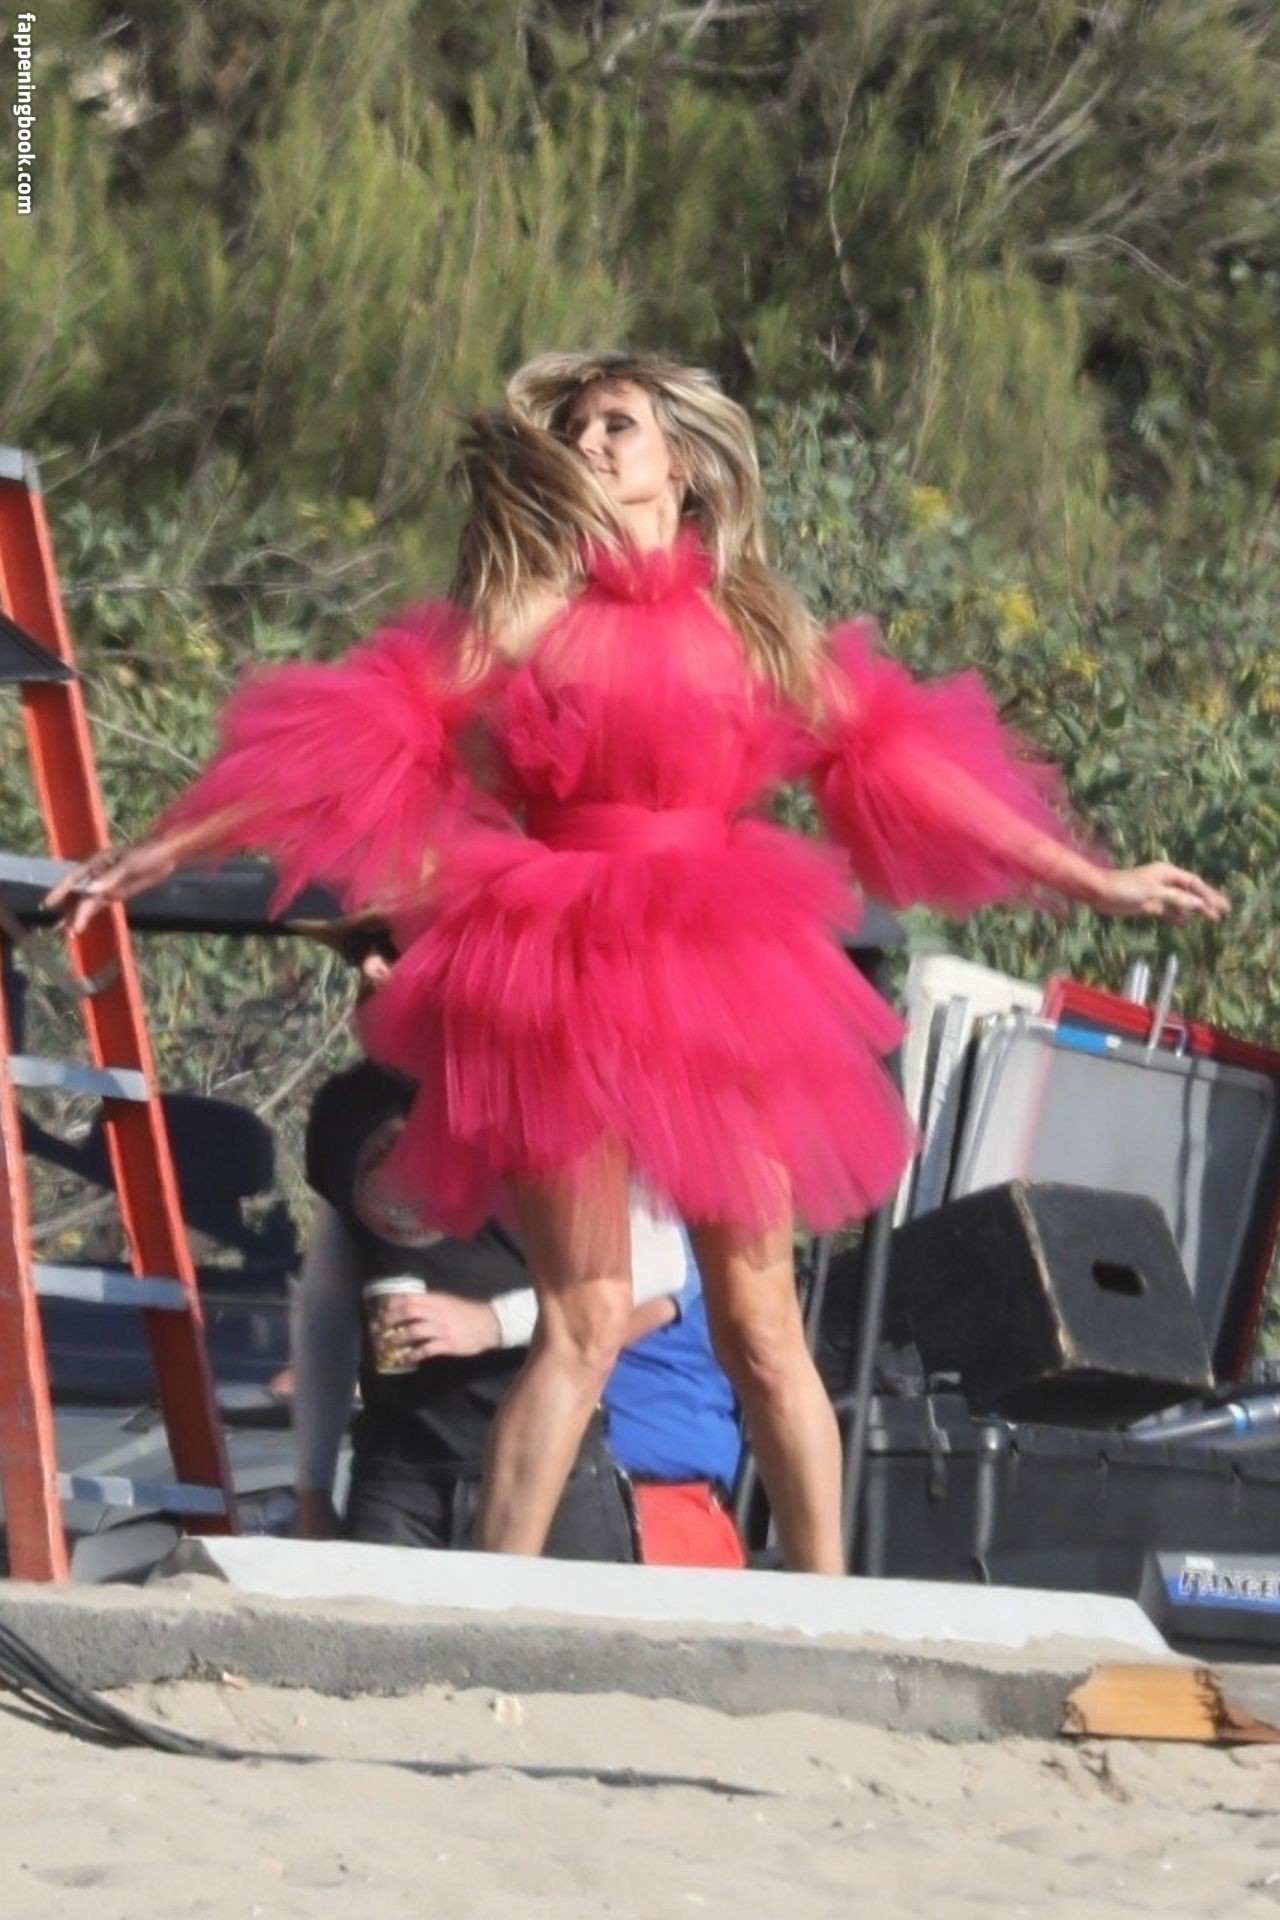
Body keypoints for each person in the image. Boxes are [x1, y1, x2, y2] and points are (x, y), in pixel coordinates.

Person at [50, 349, 1229, 1577]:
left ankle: (830, 1608)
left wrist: (1089, 877)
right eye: (575, 425)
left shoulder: (753, 625)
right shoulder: (529, 612)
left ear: (684, 462)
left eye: (617, 423)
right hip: (552, 966)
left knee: (761, 1326)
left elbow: (910, 767)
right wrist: (161, 850)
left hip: (723, 970)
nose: (591, 441)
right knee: (582, 1317)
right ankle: (489, 1605)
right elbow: (354, 739)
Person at [293, 1058, 743, 1564]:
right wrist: (313, 1487)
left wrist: (490, 1323)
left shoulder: (557, 1091)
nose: (373, 978)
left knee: (534, 1618)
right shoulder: (350, 1109)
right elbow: (324, 1312)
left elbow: (662, 1268)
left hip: (551, 1472)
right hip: (397, 1482)